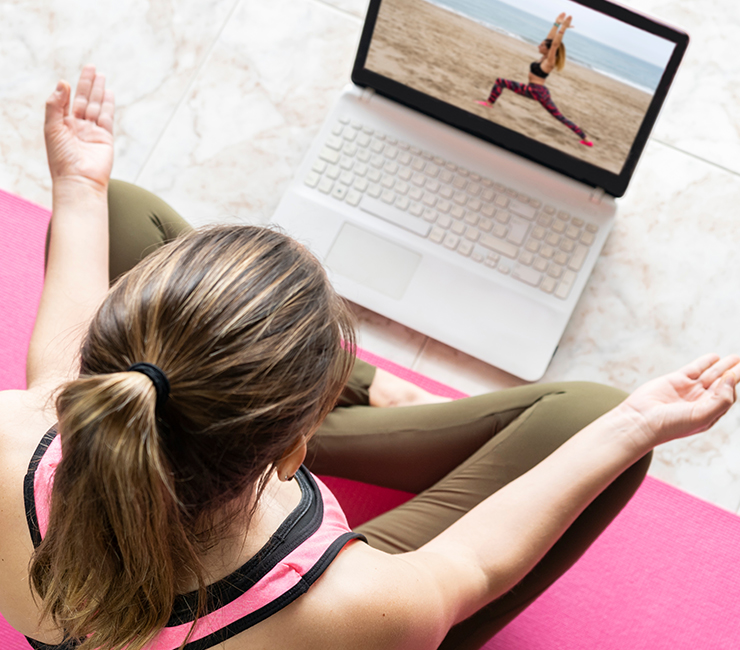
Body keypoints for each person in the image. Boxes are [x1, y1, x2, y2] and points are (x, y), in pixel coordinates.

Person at [0, 66, 737, 650]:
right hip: (299, 611)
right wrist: (635, 423)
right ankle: (335, 396)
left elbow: (50, 374)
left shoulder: (20, 433)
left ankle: (277, 396)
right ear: (294, 453)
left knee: (118, 208)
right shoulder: (352, 613)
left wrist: (80, 185)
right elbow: (471, 569)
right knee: (591, 420)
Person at [476, 13, 594, 147]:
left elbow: (554, 44)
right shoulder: (544, 57)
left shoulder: (549, 61)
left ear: (548, 50)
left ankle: (489, 103)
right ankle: (586, 139)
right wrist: (556, 24)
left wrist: (563, 29)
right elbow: (550, 40)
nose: (539, 45)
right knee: (559, 116)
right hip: (541, 92)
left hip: (533, 90)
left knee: (500, 82)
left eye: (542, 45)